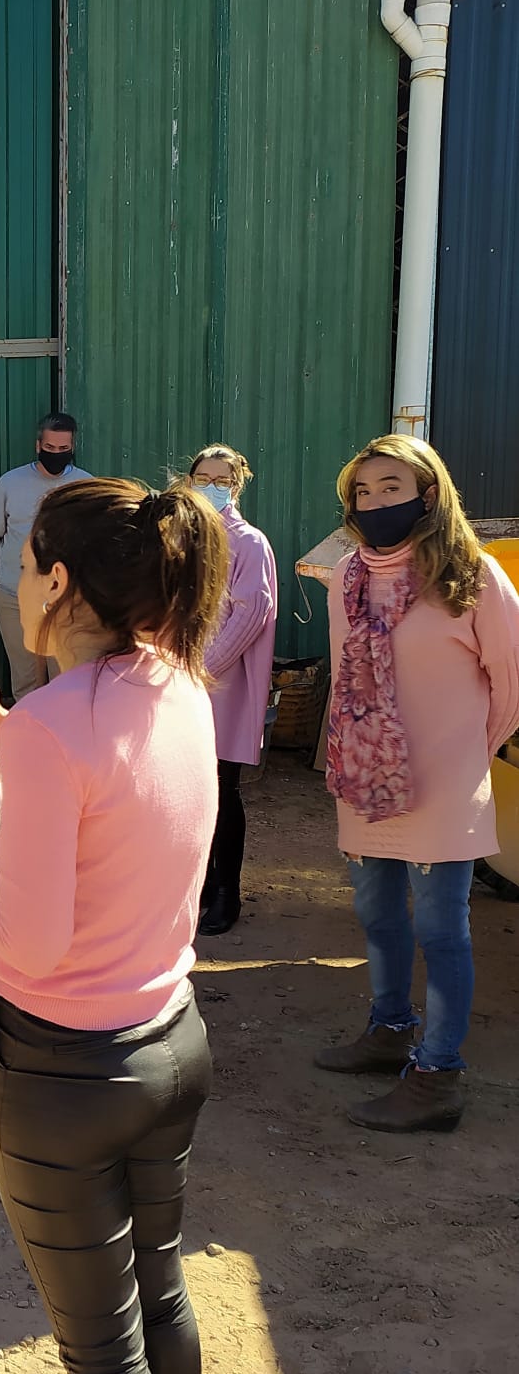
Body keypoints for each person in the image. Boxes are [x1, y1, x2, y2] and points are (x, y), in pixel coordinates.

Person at [0, 477, 229, 1374]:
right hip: (171, 1040)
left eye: (24, 567)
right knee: (163, 1300)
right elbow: (125, 814)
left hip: (64, 1074)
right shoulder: (183, 684)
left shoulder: (57, 720)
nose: (18, 584)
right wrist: (18, 771)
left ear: (59, 579)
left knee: (103, 1354)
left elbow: (34, 939)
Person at [314, 435, 519, 1133]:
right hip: (368, 783)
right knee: (376, 913)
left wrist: (464, 756)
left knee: (441, 927)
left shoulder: (473, 577)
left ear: (428, 495)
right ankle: (390, 1028)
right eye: (362, 494)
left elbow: (509, 686)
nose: (374, 504)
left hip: (446, 785)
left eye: (390, 489)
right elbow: (346, 683)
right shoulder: (347, 578)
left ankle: (438, 1077)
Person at [179, 444, 278, 936]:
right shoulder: (183, 535)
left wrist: (200, 666)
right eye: (203, 476)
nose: (211, 486)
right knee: (184, 791)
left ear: (237, 486)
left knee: (220, 789)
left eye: (222, 479)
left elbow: (250, 613)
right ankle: (193, 886)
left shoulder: (249, 543)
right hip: (177, 680)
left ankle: (225, 892)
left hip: (219, 686)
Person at [0, 412, 91, 702]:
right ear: (38, 445)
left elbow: (96, 544)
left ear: (72, 448)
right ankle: (24, 746)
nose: (56, 455)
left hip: (64, 602)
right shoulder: (10, 483)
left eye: (63, 450)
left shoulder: (86, 486)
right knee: (25, 682)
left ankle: (59, 747)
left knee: (65, 683)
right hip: (13, 598)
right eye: (50, 449)